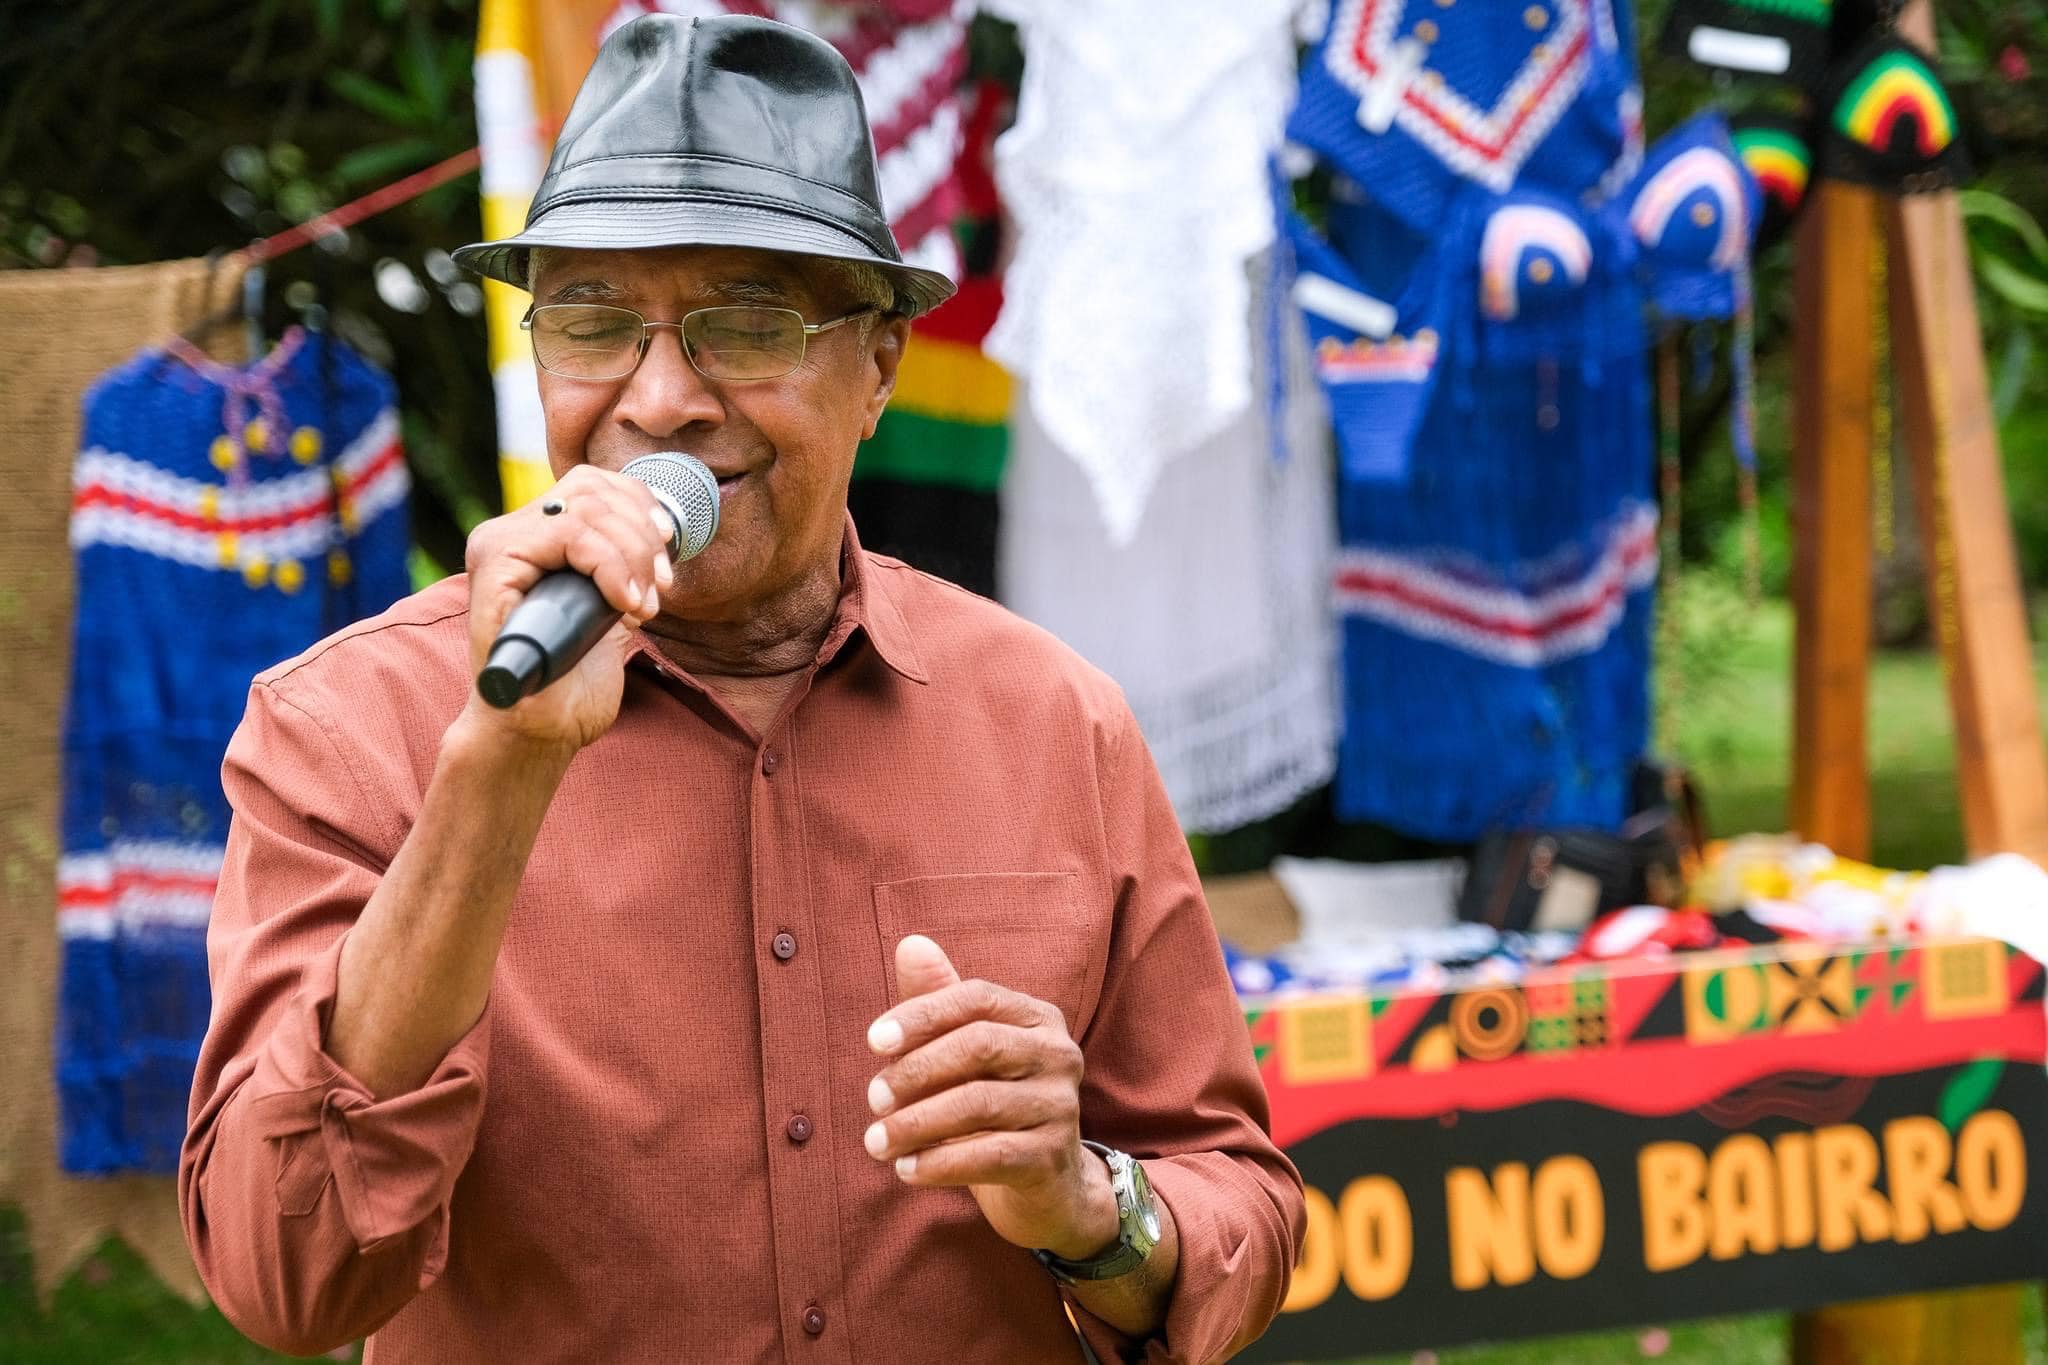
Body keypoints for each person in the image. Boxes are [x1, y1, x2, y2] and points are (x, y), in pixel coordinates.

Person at [178, 14, 1303, 1363]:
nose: (662, 398)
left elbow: (1240, 1204)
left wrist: (1086, 1203)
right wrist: (495, 774)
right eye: (593, 321)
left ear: (879, 363)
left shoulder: (1056, 722)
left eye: (747, 323)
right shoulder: (347, 733)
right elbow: (282, 1273)